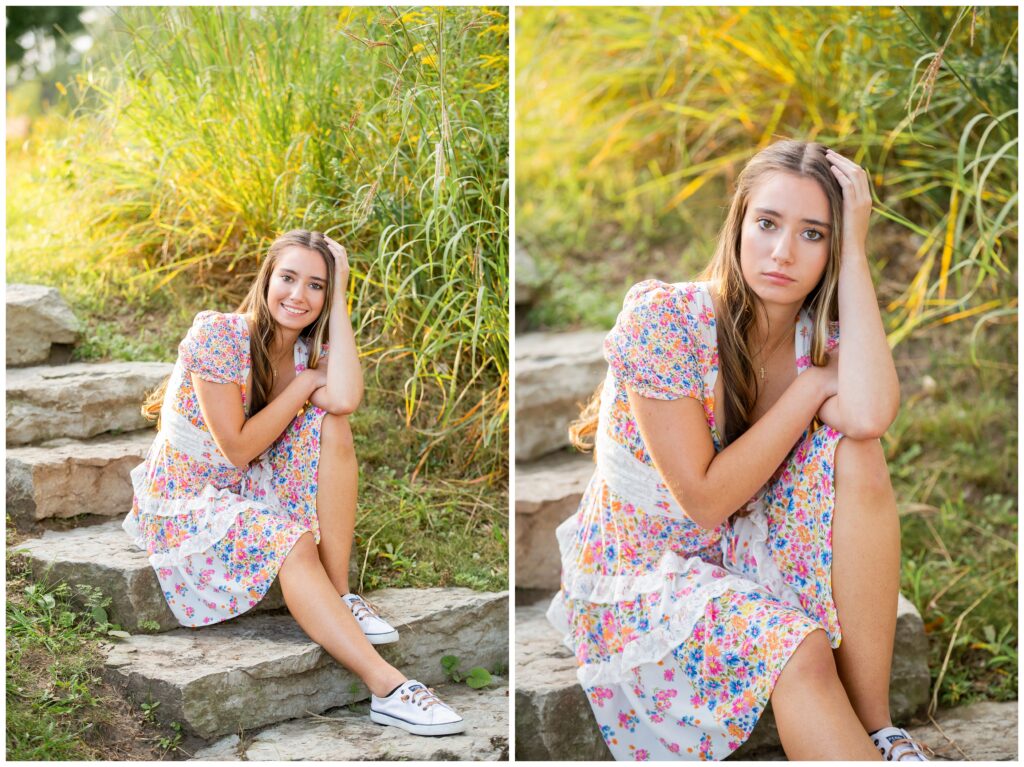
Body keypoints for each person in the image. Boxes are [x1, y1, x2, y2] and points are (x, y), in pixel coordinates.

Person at [548, 141, 930, 760]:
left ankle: (878, 730)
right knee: (798, 647)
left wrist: (856, 252)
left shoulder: (817, 338)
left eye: (814, 234)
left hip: (745, 538)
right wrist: (810, 388)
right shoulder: (666, 321)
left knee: (859, 453)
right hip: (648, 566)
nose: (783, 253)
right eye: (768, 223)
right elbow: (704, 502)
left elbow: (867, 417)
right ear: (740, 223)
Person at [124, 229, 465, 736]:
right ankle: (389, 688)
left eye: (316, 285)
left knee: (333, 424)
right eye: (288, 278)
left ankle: (340, 595)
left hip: (245, 482)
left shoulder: (307, 348)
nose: (298, 295)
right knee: (292, 541)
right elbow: (237, 449)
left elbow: (344, 400)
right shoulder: (220, 336)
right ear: (267, 278)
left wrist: (341, 297)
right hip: (188, 494)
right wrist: (305, 383)